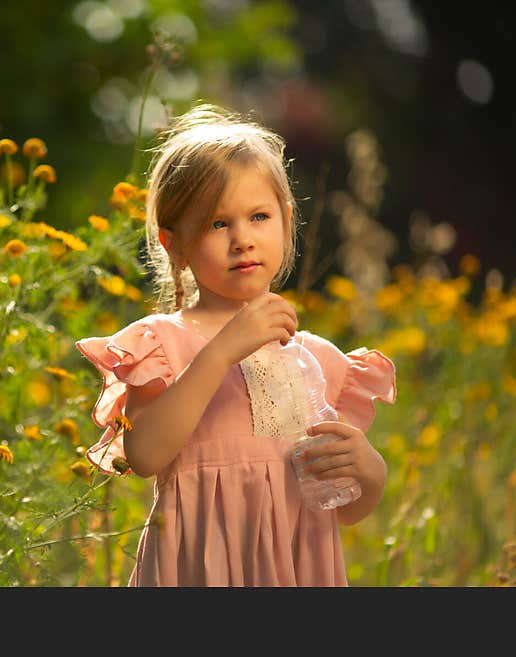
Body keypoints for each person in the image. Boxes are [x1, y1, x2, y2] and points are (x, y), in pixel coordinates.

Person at [75, 103, 396, 586]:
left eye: (259, 217)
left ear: (286, 221)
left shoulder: (318, 360)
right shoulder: (162, 344)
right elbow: (144, 456)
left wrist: (371, 474)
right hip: (201, 569)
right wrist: (222, 350)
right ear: (174, 244)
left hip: (296, 566)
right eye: (217, 224)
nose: (243, 239)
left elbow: (344, 509)